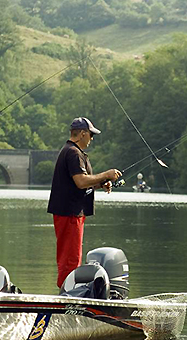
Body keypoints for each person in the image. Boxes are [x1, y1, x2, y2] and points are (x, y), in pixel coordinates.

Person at [47, 117, 122, 288]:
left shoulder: (72, 151)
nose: (92, 139)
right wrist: (106, 174)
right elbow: (81, 181)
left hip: (70, 212)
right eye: (91, 135)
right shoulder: (73, 153)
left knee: (70, 257)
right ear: (82, 134)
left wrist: (99, 183)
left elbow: (79, 184)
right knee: (70, 258)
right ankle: (68, 296)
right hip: (69, 213)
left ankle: (68, 293)